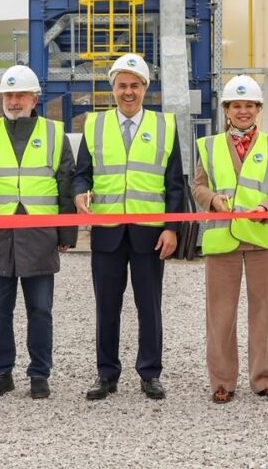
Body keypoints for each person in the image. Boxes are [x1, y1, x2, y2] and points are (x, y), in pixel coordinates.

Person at [0, 65, 78, 401]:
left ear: (34, 99)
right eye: (8, 95)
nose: (13, 101)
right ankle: (1, 373)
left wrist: (66, 234)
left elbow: (66, 184)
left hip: (39, 235)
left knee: (40, 310)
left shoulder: (54, 134)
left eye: (20, 95)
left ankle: (39, 374)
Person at [73, 53, 185, 401]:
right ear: (113, 89)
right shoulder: (94, 125)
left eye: (135, 85)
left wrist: (172, 228)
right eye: (122, 85)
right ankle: (106, 374)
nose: (128, 92)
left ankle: (150, 374)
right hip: (107, 231)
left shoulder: (164, 126)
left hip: (149, 233)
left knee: (149, 307)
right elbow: (82, 174)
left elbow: (175, 184)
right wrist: (79, 194)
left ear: (145, 88)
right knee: (106, 307)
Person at [192, 75, 268, 403]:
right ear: (226, 109)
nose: (243, 111)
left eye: (249, 105)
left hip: (262, 238)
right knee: (220, 314)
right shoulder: (208, 146)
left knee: (266, 312)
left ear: (258, 109)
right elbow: (198, 186)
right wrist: (212, 200)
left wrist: (266, 207)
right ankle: (222, 381)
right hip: (223, 240)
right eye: (237, 105)